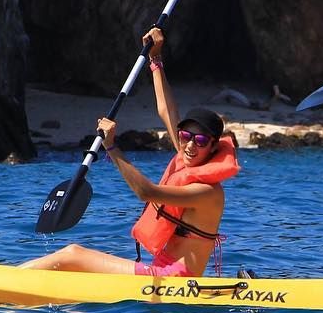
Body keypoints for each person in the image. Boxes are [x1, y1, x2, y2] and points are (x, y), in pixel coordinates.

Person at [20, 28, 239, 277]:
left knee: (73, 254)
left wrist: (111, 146)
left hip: (174, 280)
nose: (190, 145)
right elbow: (168, 112)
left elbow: (147, 193)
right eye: (186, 136)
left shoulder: (207, 192)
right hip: (160, 270)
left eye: (200, 140)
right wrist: (156, 60)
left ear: (213, 146)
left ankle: (5, 281)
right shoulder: (188, 158)